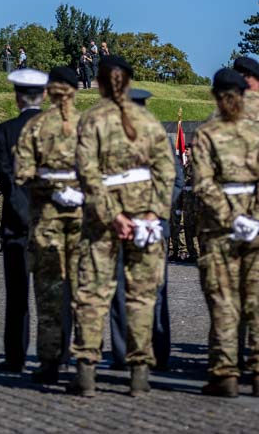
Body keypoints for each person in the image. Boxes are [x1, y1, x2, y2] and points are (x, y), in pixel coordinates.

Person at [71, 56, 174, 397]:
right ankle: (139, 372)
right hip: (145, 220)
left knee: (92, 294)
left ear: (99, 83)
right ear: (129, 83)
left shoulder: (91, 120)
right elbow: (166, 171)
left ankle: (86, 371)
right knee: (142, 296)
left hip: (102, 222)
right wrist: (151, 214)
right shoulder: (148, 121)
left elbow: (87, 173)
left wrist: (113, 214)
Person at [191, 68, 259, 398]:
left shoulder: (206, 134)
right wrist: (256, 217)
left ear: (215, 95)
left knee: (224, 301)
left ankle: (226, 373)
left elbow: (202, 184)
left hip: (220, 228)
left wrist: (233, 217)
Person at [13, 65, 82, 385]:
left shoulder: (36, 127)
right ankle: (86, 362)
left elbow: (22, 174)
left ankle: (51, 361)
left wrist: (54, 185)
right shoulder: (89, 124)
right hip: (85, 218)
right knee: (86, 292)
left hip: (47, 219)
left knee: (50, 292)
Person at [108, 88, 179, 374]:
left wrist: (153, 215)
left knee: (155, 292)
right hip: (123, 227)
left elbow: (174, 180)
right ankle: (124, 353)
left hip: (148, 227)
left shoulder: (158, 140)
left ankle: (158, 352)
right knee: (122, 291)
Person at [0, 68, 47, 372]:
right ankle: (57, 354)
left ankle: (15, 358)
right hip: (52, 223)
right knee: (55, 292)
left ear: (17, 98)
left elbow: (7, 180)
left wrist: (24, 215)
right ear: (45, 95)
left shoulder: (3, 132)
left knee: (17, 296)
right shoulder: (59, 129)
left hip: (16, 223)